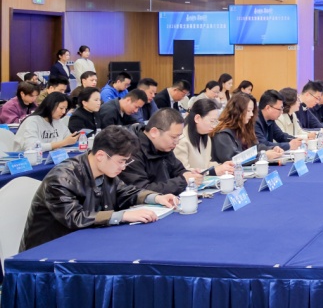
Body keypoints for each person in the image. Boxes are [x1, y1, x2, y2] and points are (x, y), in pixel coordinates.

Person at [19, 126, 179, 251]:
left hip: (82, 242)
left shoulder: (104, 170)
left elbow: (124, 192)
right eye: (121, 161)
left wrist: (157, 197)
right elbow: (75, 218)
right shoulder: (61, 178)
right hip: (48, 252)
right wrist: (123, 215)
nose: (124, 167)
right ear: (101, 156)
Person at [119, 108, 199, 195]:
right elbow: (141, 191)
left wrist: (189, 175)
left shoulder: (164, 146)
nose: (177, 142)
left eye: (179, 137)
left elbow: (178, 170)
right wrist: (183, 181)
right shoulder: (131, 152)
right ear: (154, 132)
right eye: (173, 137)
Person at [210, 93, 283, 163]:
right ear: (237, 111)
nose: (251, 114)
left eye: (252, 111)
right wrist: (263, 155)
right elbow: (233, 158)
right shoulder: (222, 134)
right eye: (248, 111)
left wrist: (272, 149)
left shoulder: (244, 128)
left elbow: (256, 147)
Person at [174, 98, 234, 177]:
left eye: (215, 122)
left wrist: (222, 166)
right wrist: (213, 171)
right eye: (212, 121)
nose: (213, 126)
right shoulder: (180, 140)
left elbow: (206, 164)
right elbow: (183, 172)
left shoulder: (206, 137)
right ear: (197, 118)